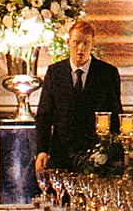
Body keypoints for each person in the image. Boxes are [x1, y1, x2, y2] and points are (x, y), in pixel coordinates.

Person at [34, 19, 122, 176]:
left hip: (96, 156)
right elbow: (44, 115)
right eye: (76, 43)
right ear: (68, 42)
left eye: (86, 43)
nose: (81, 49)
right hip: (62, 155)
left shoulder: (107, 74)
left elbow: (115, 116)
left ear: (93, 44)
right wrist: (41, 150)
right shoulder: (55, 73)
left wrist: (113, 155)